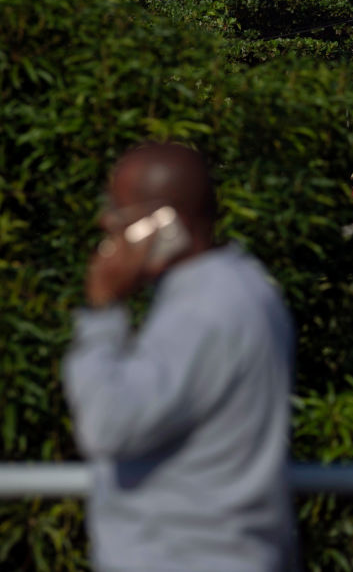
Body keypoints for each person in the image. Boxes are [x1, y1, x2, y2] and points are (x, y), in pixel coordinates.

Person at [64, 143, 296, 571]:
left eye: (120, 212)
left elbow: (106, 423)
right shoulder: (241, 286)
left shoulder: (203, 309)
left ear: (163, 223)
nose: (106, 222)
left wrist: (102, 311)